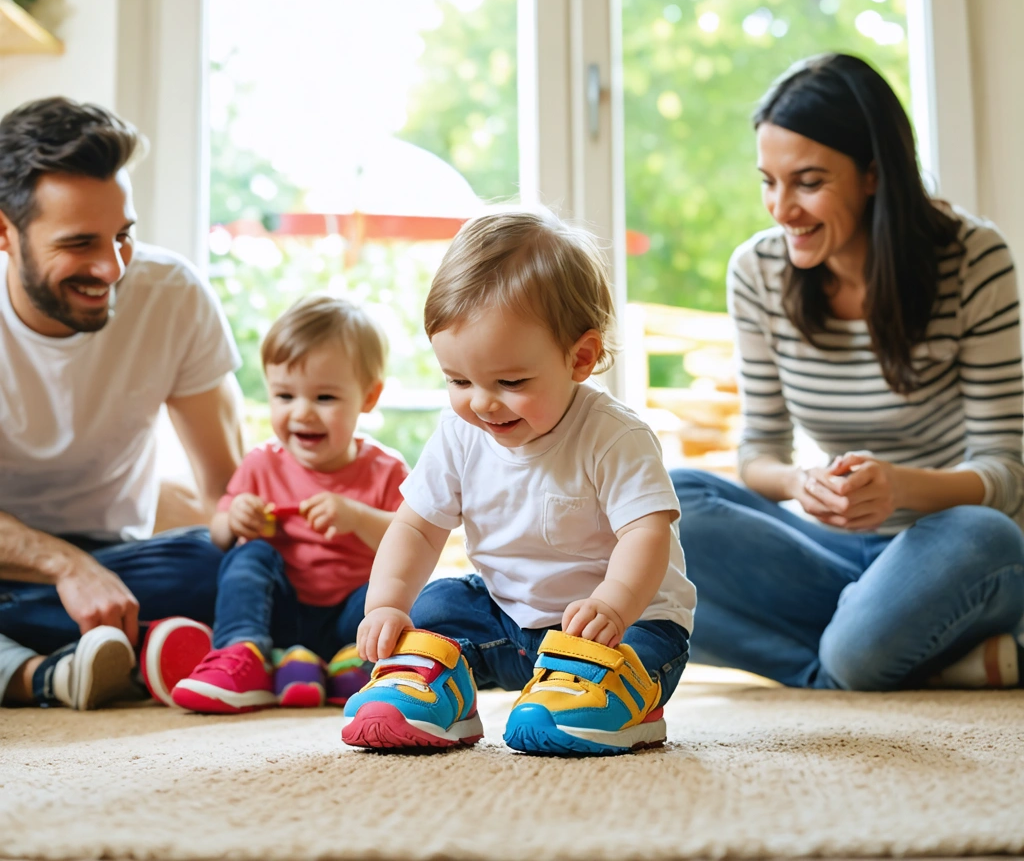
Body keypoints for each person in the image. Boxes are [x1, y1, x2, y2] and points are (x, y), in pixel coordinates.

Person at [673, 53, 1024, 691]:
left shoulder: (974, 260)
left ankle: (860, 652)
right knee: (666, 506)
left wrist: (900, 490)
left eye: (807, 182)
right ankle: (890, 662)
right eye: (768, 181)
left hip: (947, 550)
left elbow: (1006, 472)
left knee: (982, 535)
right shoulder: (757, 272)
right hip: (834, 551)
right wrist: (800, 481)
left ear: (871, 174)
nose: (781, 209)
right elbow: (757, 456)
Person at [341, 210, 695, 756]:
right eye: (458, 380)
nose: (481, 402)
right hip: (510, 623)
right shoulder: (460, 432)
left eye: (510, 382)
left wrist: (614, 603)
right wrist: (386, 603)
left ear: (580, 358)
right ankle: (436, 691)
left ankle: (616, 699)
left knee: (640, 645)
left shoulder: (614, 436)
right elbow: (416, 526)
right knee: (437, 606)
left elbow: (646, 535)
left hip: (623, 626)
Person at [0, 97, 244, 709]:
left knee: (219, 568)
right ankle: (56, 671)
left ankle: (75, 656)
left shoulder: (173, 295)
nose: (111, 268)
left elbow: (229, 493)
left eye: (123, 236)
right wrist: (64, 569)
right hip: (18, 565)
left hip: (123, 565)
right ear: (5, 232)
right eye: (80, 243)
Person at [169, 294, 408, 713]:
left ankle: (348, 662)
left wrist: (356, 517)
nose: (302, 413)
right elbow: (218, 535)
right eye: (284, 396)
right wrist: (234, 518)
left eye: (324, 398)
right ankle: (243, 653)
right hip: (278, 611)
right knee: (249, 556)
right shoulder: (261, 464)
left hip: (351, 619)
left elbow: (413, 542)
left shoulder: (386, 470)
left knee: (392, 591)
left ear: (368, 398)